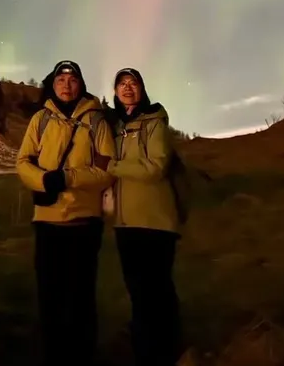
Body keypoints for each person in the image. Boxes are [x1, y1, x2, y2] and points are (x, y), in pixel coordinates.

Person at [16, 60, 115, 366]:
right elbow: (23, 161)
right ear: (53, 83)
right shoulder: (41, 119)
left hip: (84, 223)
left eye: (73, 79)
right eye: (61, 79)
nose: (67, 84)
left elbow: (107, 169)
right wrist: (44, 180)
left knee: (81, 299)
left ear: (81, 84)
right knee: (50, 297)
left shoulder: (97, 121)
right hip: (47, 222)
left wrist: (69, 178)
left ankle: (82, 356)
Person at [106, 67, 182, 366]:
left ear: (142, 89)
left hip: (155, 222)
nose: (127, 88)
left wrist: (112, 166)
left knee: (157, 291)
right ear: (115, 92)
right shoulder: (116, 126)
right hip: (126, 224)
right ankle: (144, 348)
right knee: (138, 291)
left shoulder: (154, 123)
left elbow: (156, 167)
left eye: (133, 83)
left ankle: (166, 351)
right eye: (121, 84)